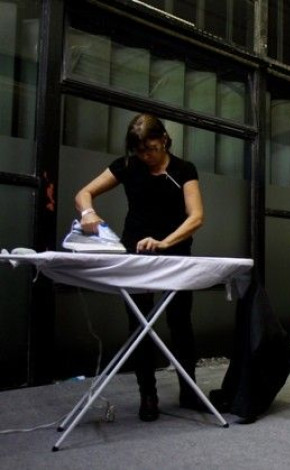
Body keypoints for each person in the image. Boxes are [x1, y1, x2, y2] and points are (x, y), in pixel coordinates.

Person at [74, 113, 205, 421]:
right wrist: (88, 213)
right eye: (140, 150)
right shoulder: (129, 166)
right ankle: (148, 394)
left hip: (175, 253)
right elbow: (83, 193)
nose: (146, 156)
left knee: (180, 322)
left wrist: (165, 242)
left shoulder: (184, 170)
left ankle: (190, 390)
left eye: (151, 148)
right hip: (136, 254)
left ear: (164, 140)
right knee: (140, 326)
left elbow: (196, 216)